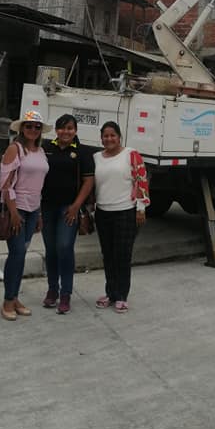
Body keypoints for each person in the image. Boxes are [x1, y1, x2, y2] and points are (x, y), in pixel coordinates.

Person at [93, 121, 150, 313]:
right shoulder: (96, 158)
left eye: (112, 135)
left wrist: (141, 208)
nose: (109, 139)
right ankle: (110, 293)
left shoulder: (131, 154)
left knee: (122, 255)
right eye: (105, 136)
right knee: (108, 255)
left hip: (125, 212)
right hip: (102, 213)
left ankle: (122, 296)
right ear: (101, 138)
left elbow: (141, 180)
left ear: (119, 137)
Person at [41, 113, 95, 315]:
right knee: (51, 249)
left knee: (64, 247)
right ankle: (52, 290)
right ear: (56, 130)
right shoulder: (46, 148)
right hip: (47, 207)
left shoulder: (82, 152)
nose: (66, 132)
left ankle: (66, 294)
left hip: (69, 208)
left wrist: (75, 206)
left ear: (75, 130)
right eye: (62, 128)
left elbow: (88, 182)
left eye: (70, 128)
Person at [0, 110, 50, 321]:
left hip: (33, 209)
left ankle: (14, 297)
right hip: (17, 208)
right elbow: (5, 184)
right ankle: (8, 300)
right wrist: (13, 212)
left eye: (37, 127)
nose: (33, 130)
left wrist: (39, 213)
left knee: (22, 254)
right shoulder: (15, 149)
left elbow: (40, 185)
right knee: (17, 253)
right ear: (22, 128)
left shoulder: (41, 151)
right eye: (28, 126)